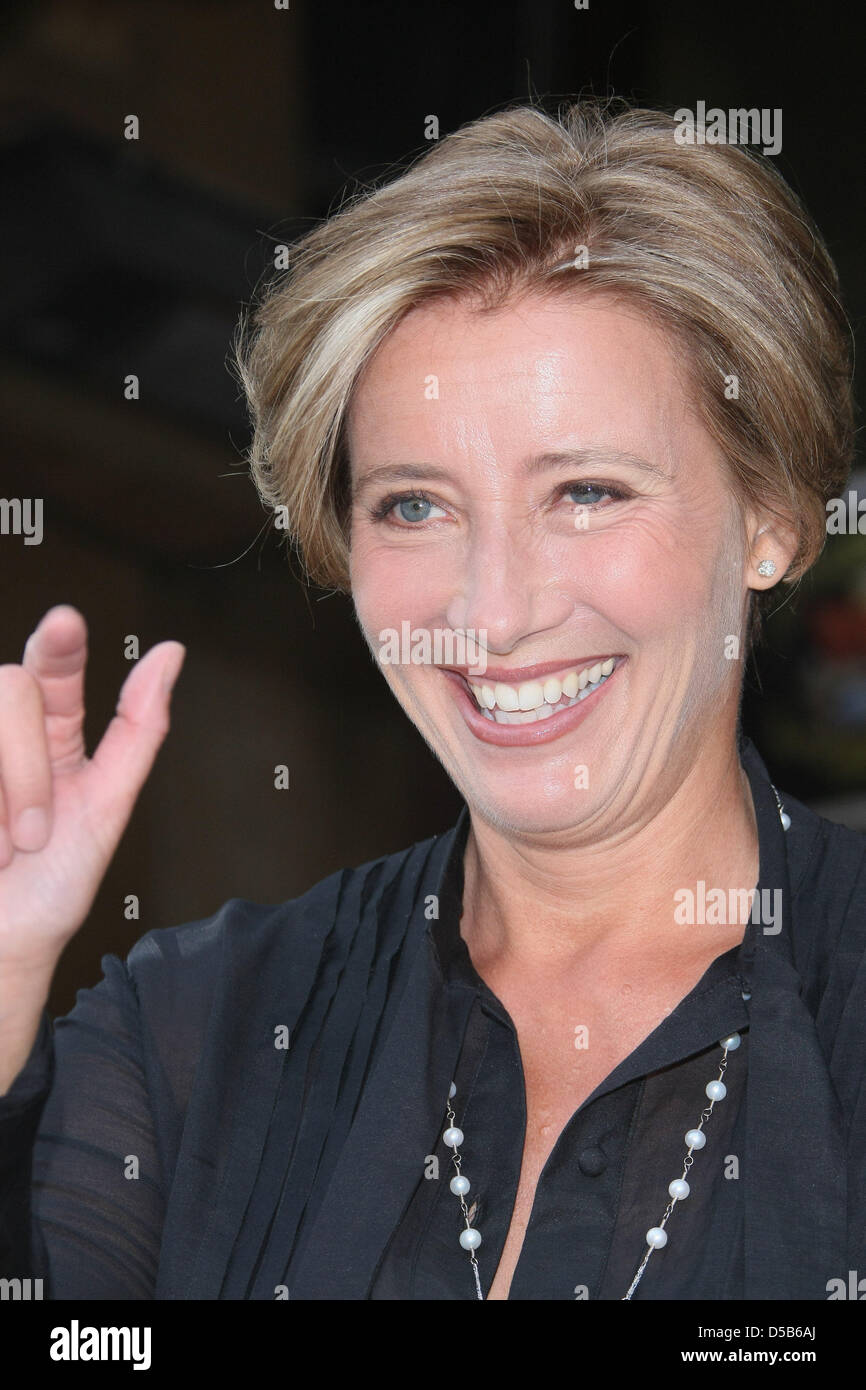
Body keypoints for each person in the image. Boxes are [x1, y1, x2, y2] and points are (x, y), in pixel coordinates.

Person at [1, 98, 863, 1301]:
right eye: (413, 504)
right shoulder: (190, 1031)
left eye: (586, 492)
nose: (491, 612)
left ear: (770, 518)